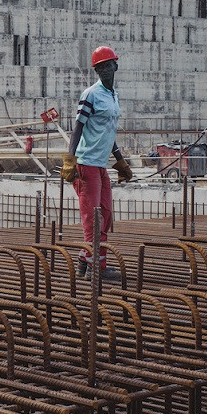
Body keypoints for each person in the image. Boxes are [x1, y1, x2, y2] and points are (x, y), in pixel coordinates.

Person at [60, 46, 131, 281]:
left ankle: (84, 260)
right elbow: (79, 127)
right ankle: (96, 269)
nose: (105, 69)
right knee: (93, 218)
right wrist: (70, 160)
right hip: (86, 163)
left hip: (100, 165)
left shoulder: (113, 96)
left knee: (106, 215)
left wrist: (119, 161)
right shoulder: (91, 94)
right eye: (100, 67)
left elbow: (107, 132)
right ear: (96, 70)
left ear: (115, 66)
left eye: (108, 65)